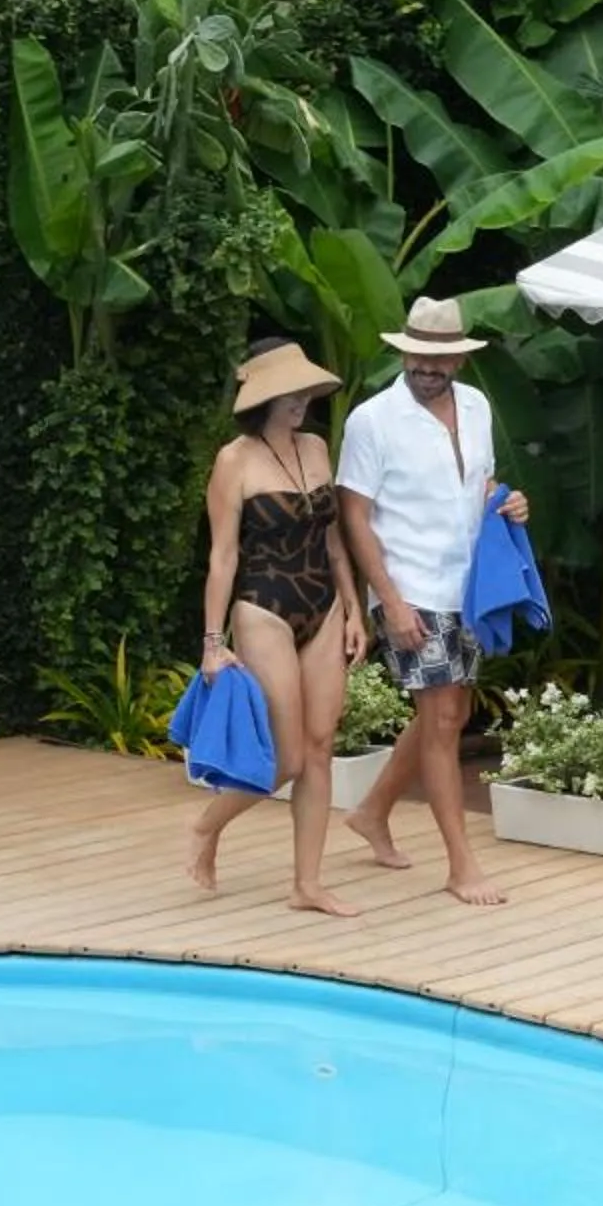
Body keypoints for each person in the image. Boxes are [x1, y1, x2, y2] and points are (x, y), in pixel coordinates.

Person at [338, 296, 528, 907]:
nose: (426, 365)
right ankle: (461, 866)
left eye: (439, 357)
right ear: (403, 353)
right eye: (417, 354)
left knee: (447, 714)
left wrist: (507, 499)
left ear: (459, 360)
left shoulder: (476, 406)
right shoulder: (372, 420)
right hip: (411, 587)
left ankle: (372, 811)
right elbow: (355, 515)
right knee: (444, 722)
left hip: (468, 587)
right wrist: (390, 602)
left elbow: (478, 483)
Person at [184, 339, 369, 915]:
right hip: (263, 608)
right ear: (264, 397)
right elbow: (222, 557)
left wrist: (354, 609)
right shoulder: (233, 460)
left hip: (323, 605)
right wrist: (212, 644)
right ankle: (207, 826)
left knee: (320, 748)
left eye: (305, 391)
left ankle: (306, 884)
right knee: (286, 758)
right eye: (291, 393)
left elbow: (333, 541)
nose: (301, 401)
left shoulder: (316, 446)